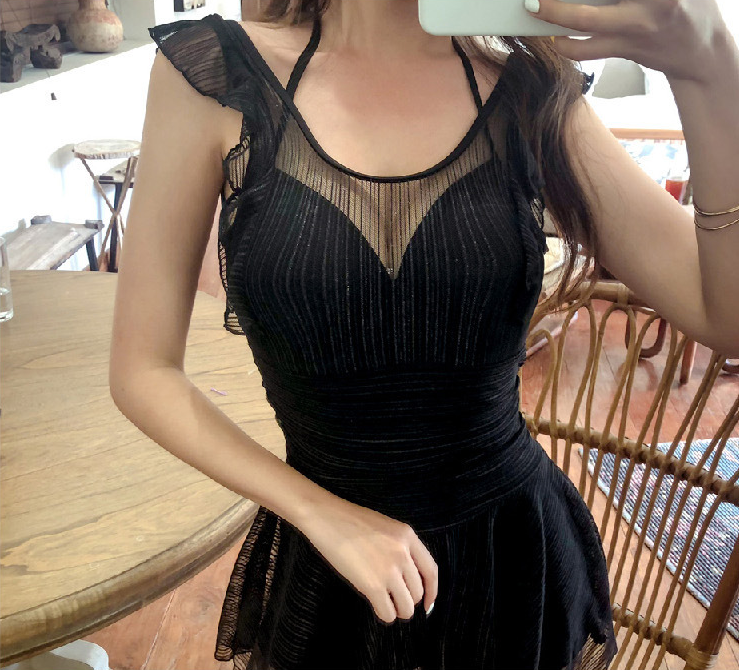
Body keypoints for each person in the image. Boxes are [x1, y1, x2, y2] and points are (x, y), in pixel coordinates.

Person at [109, 0, 739, 668]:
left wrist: (709, 65)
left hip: (511, 563)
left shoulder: (533, 96)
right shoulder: (214, 77)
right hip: (330, 563)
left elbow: (724, 318)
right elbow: (142, 371)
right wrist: (317, 511)